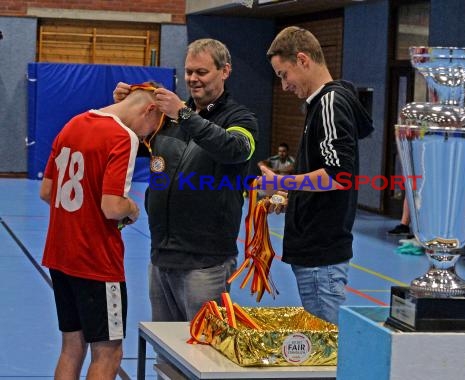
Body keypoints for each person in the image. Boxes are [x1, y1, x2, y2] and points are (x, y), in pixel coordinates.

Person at [113, 39, 258, 325]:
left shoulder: (240, 118)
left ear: (225, 71)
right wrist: (127, 107)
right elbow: (131, 141)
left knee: (205, 354)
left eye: (202, 72)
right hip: (161, 259)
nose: (193, 79)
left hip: (206, 263)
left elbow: (235, 149)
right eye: (189, 71)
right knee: (165, 354)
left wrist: (184, 114)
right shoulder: (168, 119)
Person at [40, 82, 163, 379]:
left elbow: (46, 191)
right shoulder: (122, 136)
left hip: (60, 255)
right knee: (108, 353)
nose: (146, 137)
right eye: (151, 130)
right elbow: (112, 207)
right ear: (149, 109)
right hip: (96, 262)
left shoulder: (74, 123)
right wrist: (132, 209)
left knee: (72, 346)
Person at [260, 26, 373, 325]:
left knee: (328, 353)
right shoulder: (319, 106)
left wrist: (280, 181)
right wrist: (291, 196)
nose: (284, 86)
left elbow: (338, 176)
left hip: (322, 256)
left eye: (284, 75)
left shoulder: (329, 104)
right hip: (315, 254)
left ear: (303, 60)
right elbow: (320, 172)